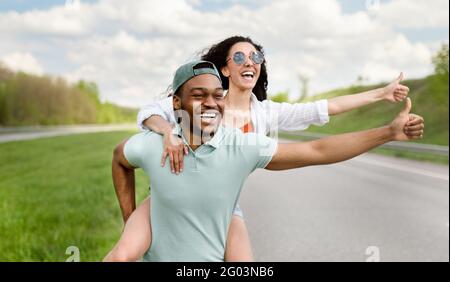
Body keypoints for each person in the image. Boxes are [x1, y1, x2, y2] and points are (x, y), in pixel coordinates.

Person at [116, 36, 419, 261]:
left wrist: (382, 96)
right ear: (225, 68)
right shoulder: (193, 97)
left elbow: (321, 120)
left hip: (224, 203)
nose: (249, 62)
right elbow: (149, 114)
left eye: (256, 56)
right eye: (239, 58)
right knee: (123, 254)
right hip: (172, 194)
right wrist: (169, 132)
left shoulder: (263, 117)